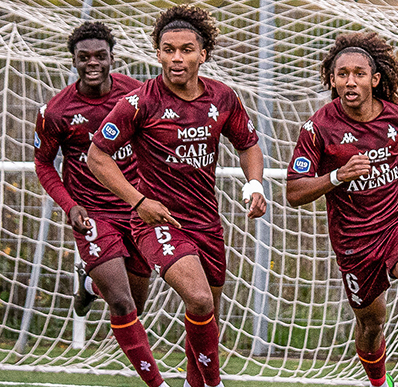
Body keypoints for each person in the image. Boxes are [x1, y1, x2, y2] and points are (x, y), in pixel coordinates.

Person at [87, 5, 267, 387]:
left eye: (186, 49)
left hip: (207, 222)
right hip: (157, 221)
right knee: (199, 299)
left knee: (206, 316)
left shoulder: (223, 97)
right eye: (168, 49)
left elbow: (248, 144)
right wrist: (139, 202)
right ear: (157, 53)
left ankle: (195, 383)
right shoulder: (140, 102)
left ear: (203, 54)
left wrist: (254, 185)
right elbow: (96, 156)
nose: (177, 58)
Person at [286, 32, 398, 387]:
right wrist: (337, 175)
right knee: (371, 322)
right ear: (332, 79)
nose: (350, 81)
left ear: (375, 79)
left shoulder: (396, 112)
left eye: (359, 74)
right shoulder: (318, 128)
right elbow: (293, 192)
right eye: (342, 74)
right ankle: (379, 383)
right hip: (353, 238)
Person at [34, 22, 168, 387]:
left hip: (135, 207)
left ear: (112, 58)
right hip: (93, 214)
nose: (92, 63)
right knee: (123, 303)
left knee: (135, 306)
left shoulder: (137, 94)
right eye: (84, 57)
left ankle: (90, 287)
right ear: (74, 60)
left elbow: (157, 140)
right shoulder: (56, 112)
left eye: (100, 56)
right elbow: (43, 163)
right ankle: (158, 384)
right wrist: (69, 204)